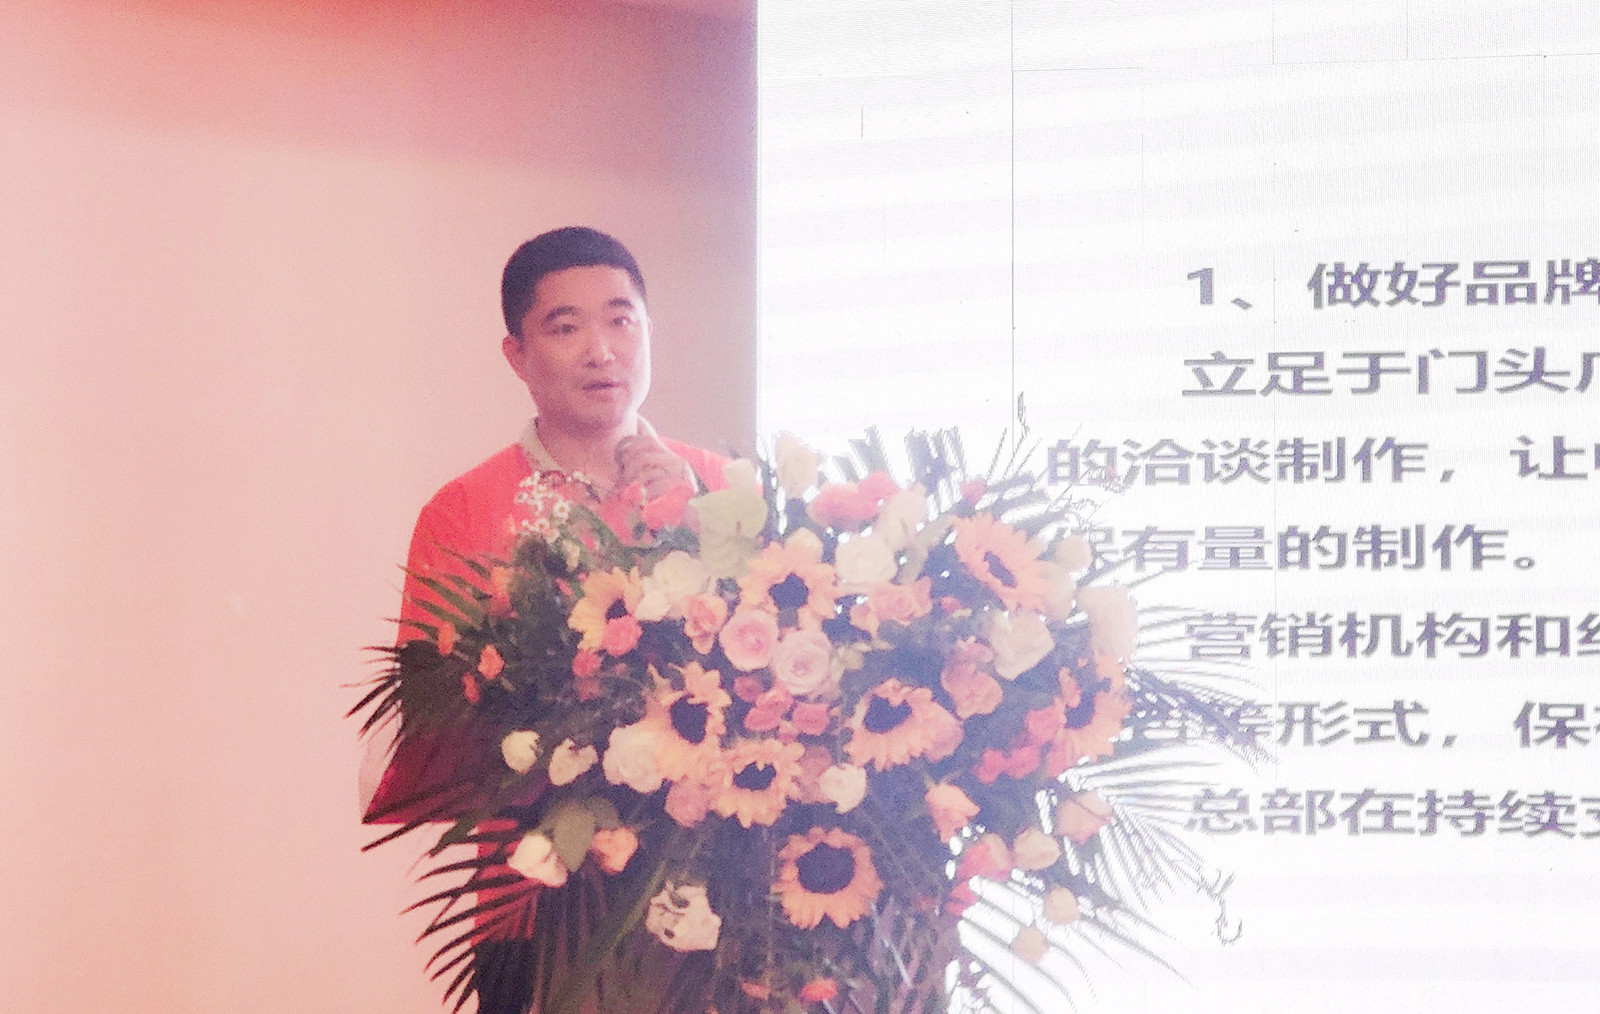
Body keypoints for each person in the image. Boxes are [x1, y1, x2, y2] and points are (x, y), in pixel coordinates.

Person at [362, 226, 729, 1012]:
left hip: (708, 890)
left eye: (621, 320)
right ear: (517, 355)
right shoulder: (466, 509)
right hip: (536, 898)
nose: (602, 350)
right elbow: (425, 713)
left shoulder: (719, 489)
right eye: (566, 327)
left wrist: (698, 524)